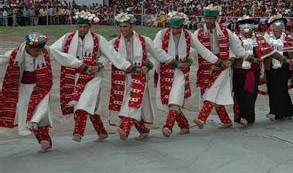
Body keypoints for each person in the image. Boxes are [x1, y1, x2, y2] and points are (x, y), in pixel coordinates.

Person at [51, 11, 134, 142]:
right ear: (76, 26)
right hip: (72, 76)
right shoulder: (67, 38)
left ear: (90, 26)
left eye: (85, 27)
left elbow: (110, 54)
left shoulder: (98, 39)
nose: (82, 29)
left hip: (93, 77)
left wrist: (100, 64)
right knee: (90, 105)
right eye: (80, 27)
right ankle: (101, 132)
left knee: (83, 103)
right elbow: (52, 51)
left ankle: (78, 132)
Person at [0, 33, 87, 152]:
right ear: (28, 47)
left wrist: (81, 65)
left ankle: (44, 140)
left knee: (42, 113)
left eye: (40, 50)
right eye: (35, 51)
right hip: (25, 88)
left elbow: (63, 57)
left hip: (42, 86)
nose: (38, 53)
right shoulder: (16, 53)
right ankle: (43, 140)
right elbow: (2, 59)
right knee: (28, 114)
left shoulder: (46, 51)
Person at [154, 12, 222, 137]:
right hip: (165, 72)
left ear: (182, 26)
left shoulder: (188, 35)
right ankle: (184, 125)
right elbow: (156, 52)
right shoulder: (161, 34)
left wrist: (218, 61)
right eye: (173, 27)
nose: (175, 30)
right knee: (170, 100)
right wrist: (173, 62)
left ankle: (168, 126)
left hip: (181, 72)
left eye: (178, 28)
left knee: (176, 97)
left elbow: (201, 50)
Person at [107, 13, 173, 141]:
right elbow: (106, 56)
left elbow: (158, 54)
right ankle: (143, 130)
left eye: (125, 26)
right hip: (121, 79)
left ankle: (125, 128)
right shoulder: (114, 42)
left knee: (133, 101)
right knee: (135, 105)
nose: (122, 29)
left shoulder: (144, 40)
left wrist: (149, 66)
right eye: (120, 26)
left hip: (140, 77)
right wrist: (99, 64)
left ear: (132, 26)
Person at [193, 5, 249, 129]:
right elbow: (195, 50)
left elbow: (236, 48)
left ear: (216, 19)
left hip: (223, 66)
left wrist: (232, 59)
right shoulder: (198, 33)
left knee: (212, 91)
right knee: (215, 95)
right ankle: (226, 121)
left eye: (211, 19)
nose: (208, 21)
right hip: (206, 68)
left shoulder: (226, 32)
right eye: (206, 18)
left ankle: (202, 118)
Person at [232, 15, 278, 127]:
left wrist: (285, 59)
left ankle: (247, 117)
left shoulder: (258, 38)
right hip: (238, 71)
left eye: (249, 23)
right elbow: (231, 54)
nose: (246, 26)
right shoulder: (234, 39)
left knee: (251, 94)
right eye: (243, 23)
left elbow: (269, 51)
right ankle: (240, 117)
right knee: (239, 94)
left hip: (253, 71)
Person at [263, 14, 293, 121]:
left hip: (285, 66)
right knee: (273, 88)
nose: (278, 26)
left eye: (280, 24)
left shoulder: (288, 37)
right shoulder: (266, 38)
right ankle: (287, 111)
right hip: (271, 66)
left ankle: (274, 112)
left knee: (281, 87)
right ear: (271, 26)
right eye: (275, 24)